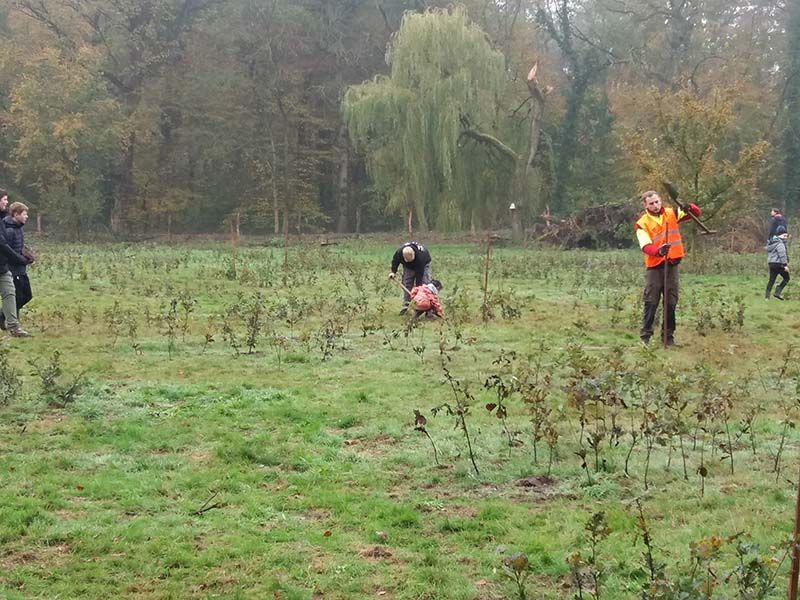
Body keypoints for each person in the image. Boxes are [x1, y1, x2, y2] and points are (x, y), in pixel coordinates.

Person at [634, 190, 701, 346]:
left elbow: (696, 213)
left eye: (657, 202)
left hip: (672, 265)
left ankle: (668, 338)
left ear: (660, 200)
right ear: (645, 205)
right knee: (651, 301)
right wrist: (658, 251)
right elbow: (645, 246)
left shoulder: (671, 213)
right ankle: (645, 338)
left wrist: (689, 206)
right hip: (655, 267)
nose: (656, 206)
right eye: (651, 203)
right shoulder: (642, 223)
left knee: (671, 302)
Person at [3, 202, 34, 324]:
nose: (26, 217)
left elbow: (18, 247)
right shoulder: (9, 230)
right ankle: (9, 321)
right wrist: (22, 260)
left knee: (27, 295)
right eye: (24, 214)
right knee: (17, 297)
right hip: (13, 269)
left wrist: (27, 254)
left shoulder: (19, 228)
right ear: (16, 214)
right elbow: (8, 251)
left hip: (21, 269)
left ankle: (5, 317)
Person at [388, 242, 432, 313]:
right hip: (408, 267)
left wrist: (418, 291)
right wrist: (393, 272)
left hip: (424, 265)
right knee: (407, 284)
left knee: (424, 286)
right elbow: (395, 261)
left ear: (414, 254)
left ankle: (428, 310)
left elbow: (419, 277)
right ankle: (405, 306)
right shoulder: (399, 253)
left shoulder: (420, 258)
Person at [765, 225, 790, 300]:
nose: (786, 237)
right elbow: (782, 254)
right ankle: (777, 292)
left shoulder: (771, 242)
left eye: (786, 235)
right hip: (779, 264)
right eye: (784, 235)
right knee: (786, 278)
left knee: (771, 280)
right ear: (780, 235)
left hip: (771, 263)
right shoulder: (780, 243)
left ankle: (767, 297)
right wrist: (785, 265)